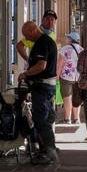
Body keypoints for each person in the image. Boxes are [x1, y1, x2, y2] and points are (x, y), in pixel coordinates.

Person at [16, 20, 59, 164]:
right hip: (44, 86)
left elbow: (41, 65)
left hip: (42, 87)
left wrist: (26, 74)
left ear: (32, 30)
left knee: (41, 119)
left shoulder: (42, 42)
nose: (26, 39)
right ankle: (47, 148)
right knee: (44, 118)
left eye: (26, 35)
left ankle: (47, 151)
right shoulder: (45, 42)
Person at [58, 31, 83, 123]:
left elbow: (60, 64)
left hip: (66, 77)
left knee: (67, 98)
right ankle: (76, 119)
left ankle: (67, 119)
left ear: (71, 39)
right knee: (77, 97)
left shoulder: (64, 49)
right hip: (78, 77)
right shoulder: (82, 50)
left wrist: (57, 76)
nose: (66, 39)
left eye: (68, 37)